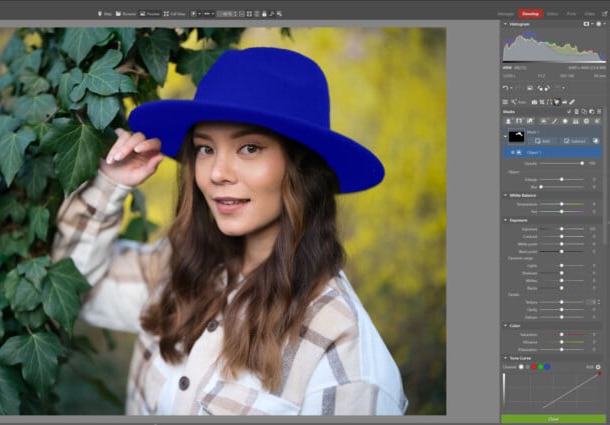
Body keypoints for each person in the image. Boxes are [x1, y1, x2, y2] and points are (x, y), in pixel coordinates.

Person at [52, 47, 407, 415]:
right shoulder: (177, 268)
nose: (217, 173)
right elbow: (71, 286)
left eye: (249, 148)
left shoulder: (344, 355)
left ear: (302, 168)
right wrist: (111, 184)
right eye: (205, 148)